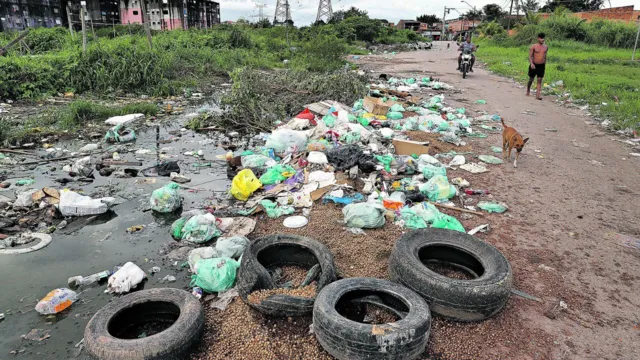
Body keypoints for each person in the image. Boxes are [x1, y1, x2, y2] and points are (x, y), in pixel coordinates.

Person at [527, 32, 548, 100]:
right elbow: (530, 56)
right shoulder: (533, 46)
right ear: (538, 38)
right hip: (534, 65)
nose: (542, 39)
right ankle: (528, 90)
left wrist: (544, 64)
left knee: (539, 80)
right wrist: (532, 64)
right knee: (531, 79)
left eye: (543, 38)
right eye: (541, 38)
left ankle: (538, 95)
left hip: (541, 66)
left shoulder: (546, 47)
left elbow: (545, 56)